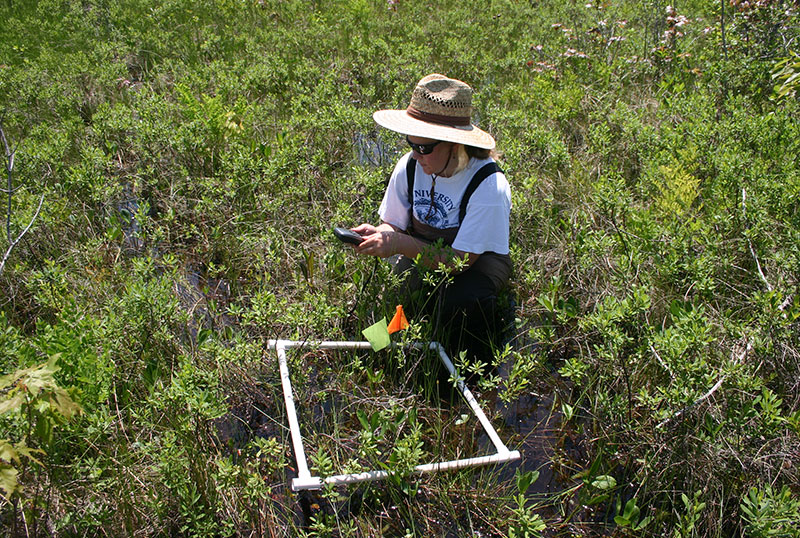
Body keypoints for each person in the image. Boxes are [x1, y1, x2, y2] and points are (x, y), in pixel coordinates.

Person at [352, 73, 512, 364]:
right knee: (395, 306)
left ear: (455, 144)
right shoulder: (411, 165)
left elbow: (458, 261)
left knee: (456, 303)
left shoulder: (489, 184)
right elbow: (394, 224)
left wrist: (398, 243)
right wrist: (380, 234)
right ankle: (374, 357)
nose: (416, 154)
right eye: (410, 143)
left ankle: (470, 369)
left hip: (476, 264)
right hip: (420, 249)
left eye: (424, 147)